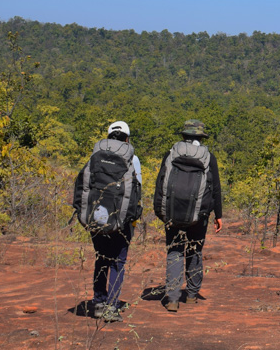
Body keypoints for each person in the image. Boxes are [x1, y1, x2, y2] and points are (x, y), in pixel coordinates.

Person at [73, 120, 142, 323]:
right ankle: (112, 307)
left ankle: (98, 302)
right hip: (121, 221)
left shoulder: (95, 157)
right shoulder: (132, 159)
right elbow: (137, 193)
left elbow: (84, 188)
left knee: (101, 258)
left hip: (95, 217)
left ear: (109, 136)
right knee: (117, 262)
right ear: (127, 138)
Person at [154, 119, 223, 312]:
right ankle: (192, 296)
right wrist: (218, 214)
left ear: (184, 136)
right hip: (199, 215)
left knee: (175, 252)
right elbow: (215, 188)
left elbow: (160, 184)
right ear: (201, 137)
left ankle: (173, 299)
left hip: (172, 213)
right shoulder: (209, 157)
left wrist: (160, 211)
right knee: (194, 250)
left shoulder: (171, 154)